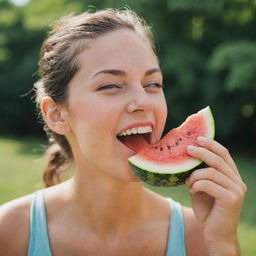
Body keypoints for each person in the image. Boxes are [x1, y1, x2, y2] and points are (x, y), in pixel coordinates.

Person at [0, 7, 246, 256]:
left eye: (152, 84)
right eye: (110, 85)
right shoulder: (9, 232)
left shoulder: (200, 236)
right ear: (56, 114)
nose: (143, 102)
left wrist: (223, 245)